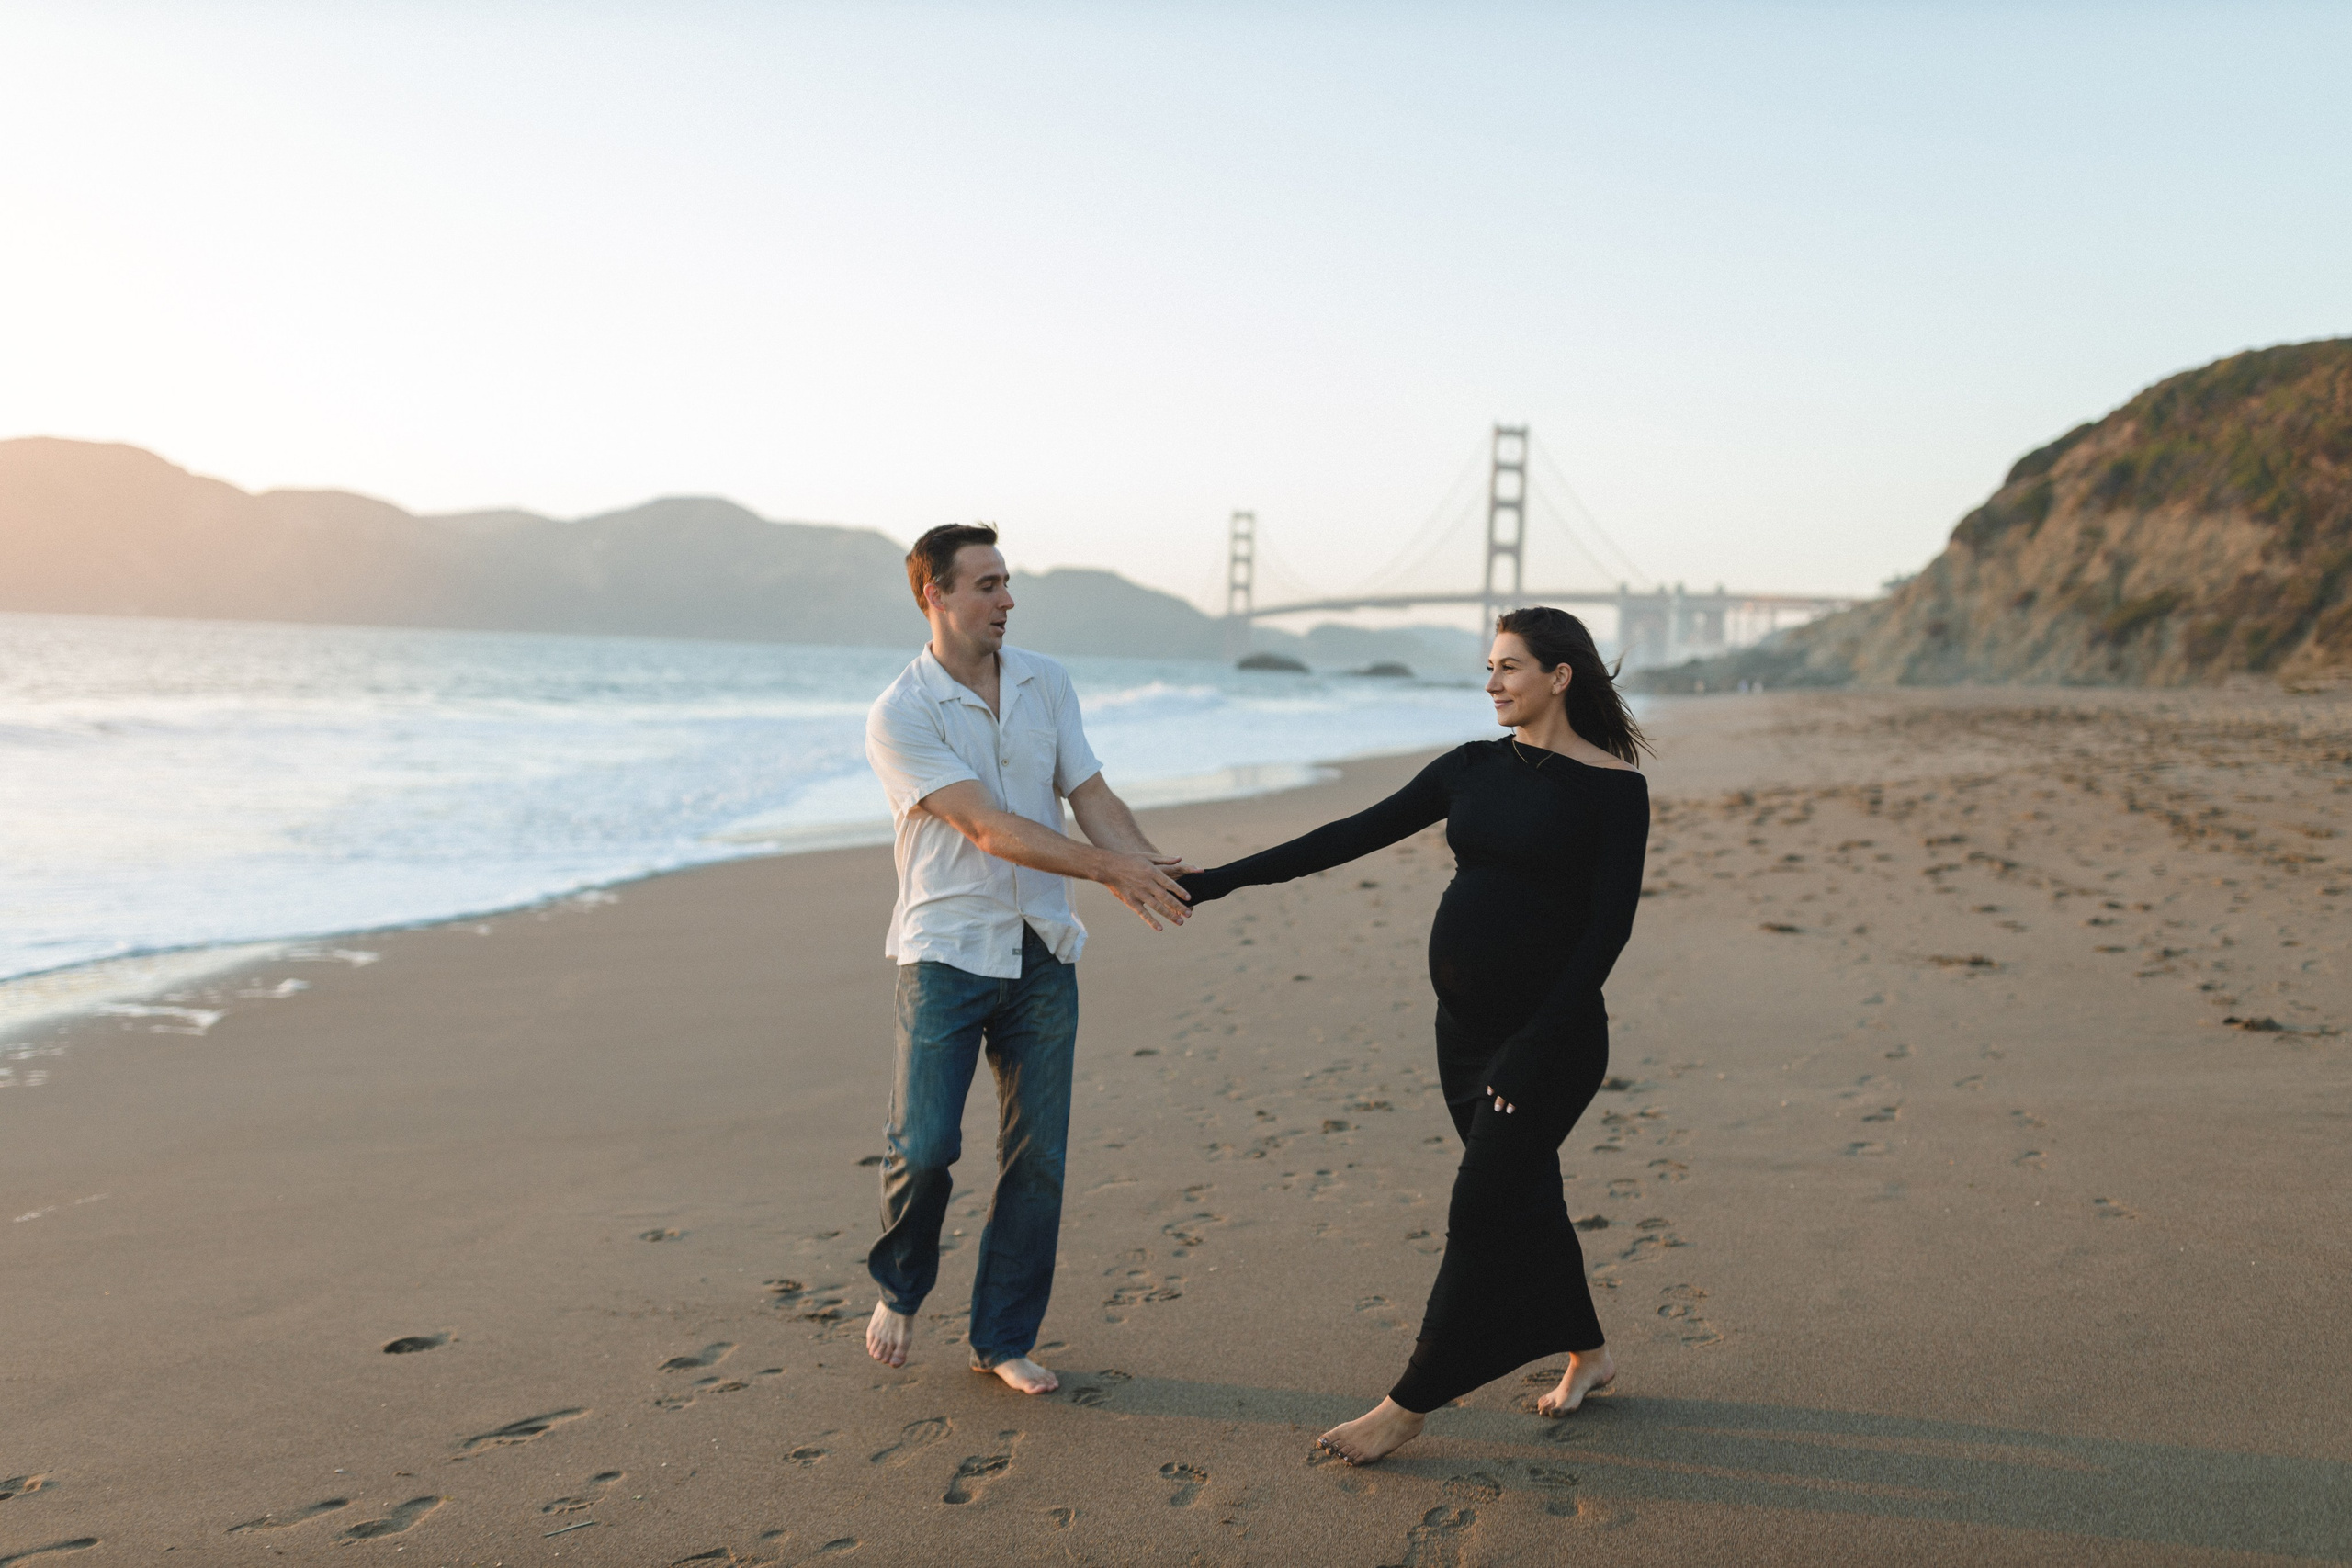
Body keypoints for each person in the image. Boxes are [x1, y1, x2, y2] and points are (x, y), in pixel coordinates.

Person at [1179, 606, 1649, 1462]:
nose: (1493, 682)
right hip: (1463, 1033)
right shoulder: (1471, 767)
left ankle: (1411, 1401)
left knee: (1479, 1206)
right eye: (1490, 668)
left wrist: (1536, 1043)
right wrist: (1217, 883)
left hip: (1550, 1040)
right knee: (1524, 1192)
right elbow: (1346, 835)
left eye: (1509, 667)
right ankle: (1591, 1352)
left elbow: (1606, 933)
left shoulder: (1616, 789)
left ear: (1560, 676)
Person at [861, 523, 1195, 1396]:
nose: (1006, 599)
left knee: (1037, 1159)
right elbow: (984, 825)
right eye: (986, 585)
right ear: (933, 594)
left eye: (1008, 583)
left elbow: (1089, 794)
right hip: (946, 951)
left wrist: (1151, 866)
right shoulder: (902, 711)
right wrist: (1106, 868)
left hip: (1043, 950)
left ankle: (1001, 1337)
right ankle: (901, 1285)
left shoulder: (1048, 681)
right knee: (926, 1146)